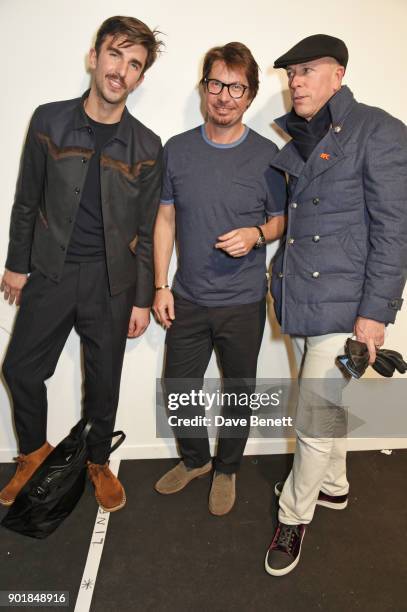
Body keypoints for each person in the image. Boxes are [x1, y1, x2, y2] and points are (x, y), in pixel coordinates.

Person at [0, 16, 163, 512]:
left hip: (111, 282)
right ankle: (32, 454)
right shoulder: (48, 120)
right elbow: (27, 199)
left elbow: (144, 231)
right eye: (115, 55)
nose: (121, 70)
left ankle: (97, 462)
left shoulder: (148, 147)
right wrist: (16, 264)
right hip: (51, 269)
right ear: (95, 57)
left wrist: (141, 297)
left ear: (139, 78)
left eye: (134, 64)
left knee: (104, 379)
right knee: (20, 368)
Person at [264, 34, 407, 575]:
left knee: (314, 419)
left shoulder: (380, 131)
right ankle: (334, 484)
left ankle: (292, 518)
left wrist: (373, 317)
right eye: (291, 73)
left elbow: (395, 232)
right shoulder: (306, 136)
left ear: (338, 75)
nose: (295, 81)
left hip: (348, 313)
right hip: (303, 299)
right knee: (328, 410)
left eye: (307, 70)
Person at [153, 42, 287, 516]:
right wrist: (160, 285)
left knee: (238, 389)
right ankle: (195, 461)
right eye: (216, 84)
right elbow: (165, 219)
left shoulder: (267, 155)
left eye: (236, 87)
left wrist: (255, 234)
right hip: (187, 296)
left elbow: (280, 220)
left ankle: (226, 467)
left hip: (243, 300)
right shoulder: (178, 150)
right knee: (179, 384)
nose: (224, 96)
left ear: (249, 95)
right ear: (204, 87)